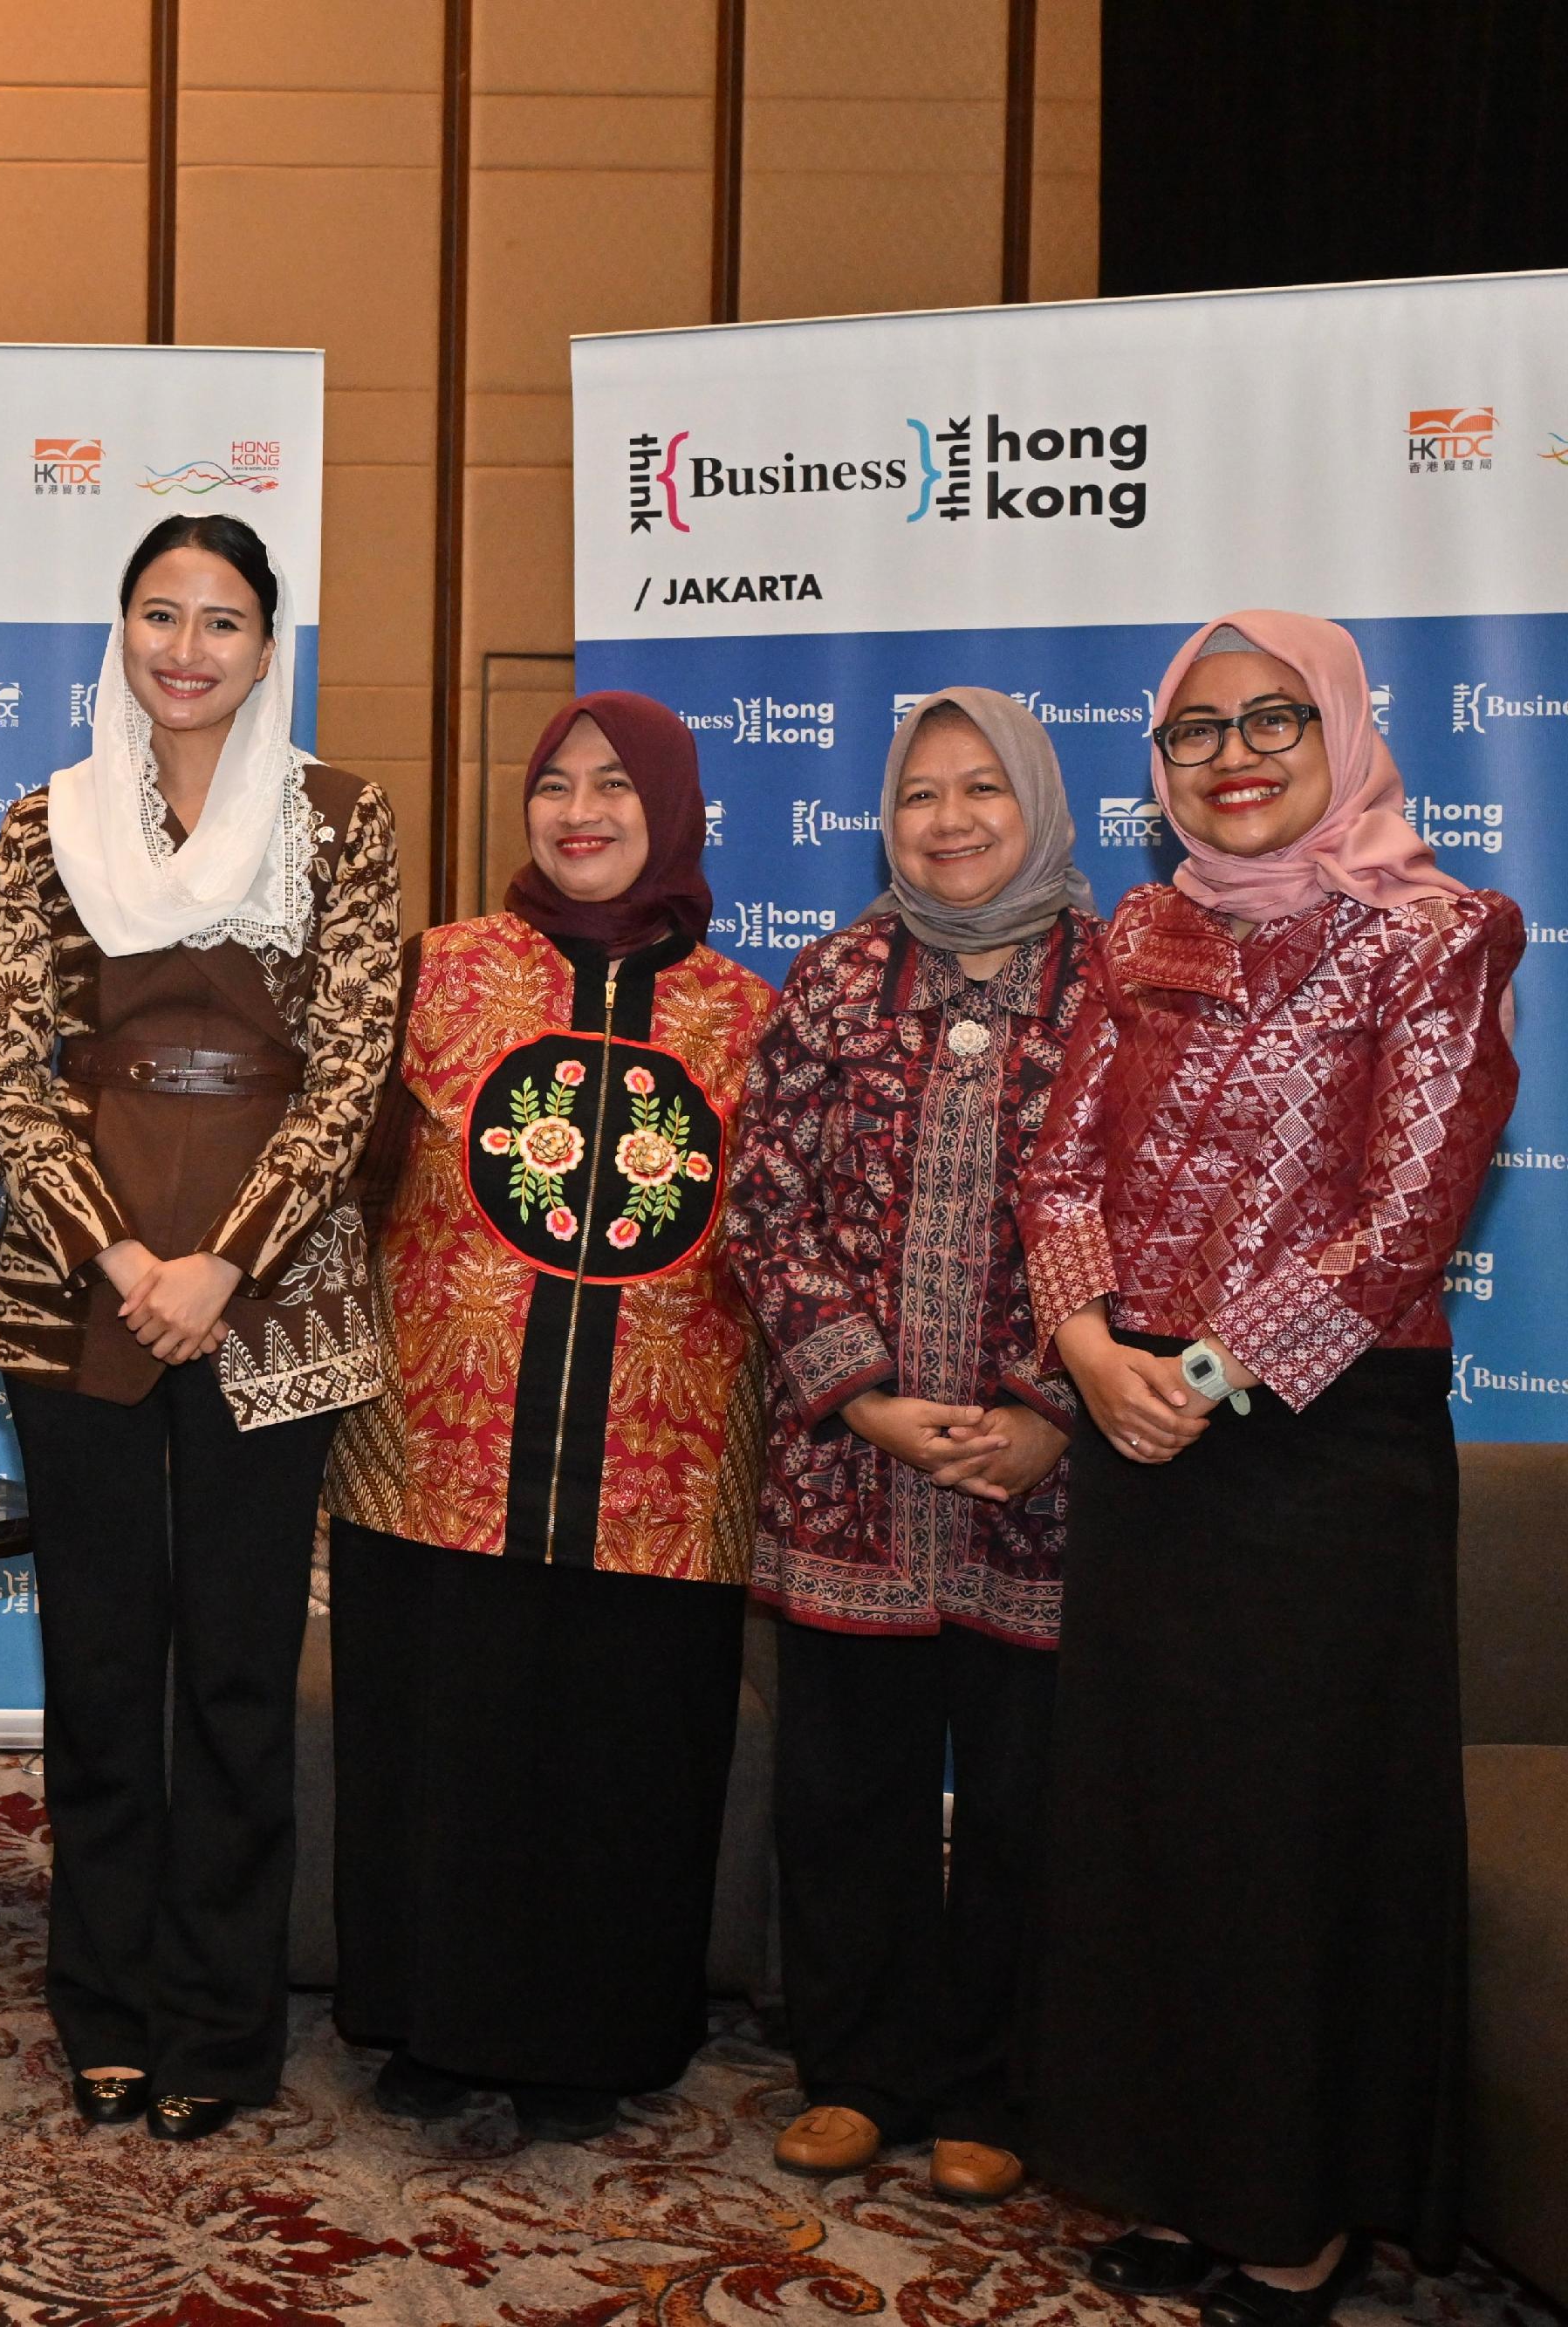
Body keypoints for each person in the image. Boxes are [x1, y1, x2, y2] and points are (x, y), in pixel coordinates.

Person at [1016, 611, 1518, 2324]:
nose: (1230, 758)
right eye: (1194, 732)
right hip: (1137, 1425)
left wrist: (1203, 1373)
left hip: (1317, 1447)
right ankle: (1184, 2176)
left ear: (1341, 730)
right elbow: (1059, 1163)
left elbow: (1403, 1217)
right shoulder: (1138, 926)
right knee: (1149, 1820)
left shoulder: (1435, 931)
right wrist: (1091, 1351)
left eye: (1270, 721)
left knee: (1284, 1836)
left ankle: (1298, 2217)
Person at [0, 515, 400, 2142]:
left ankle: (221, 2022)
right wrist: (124, 1260)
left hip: (271, 1294)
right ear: (123, 630)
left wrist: (218, 1266)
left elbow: (354, 1068)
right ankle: (105, 2004)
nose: (188, 648)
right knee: (98, 1664)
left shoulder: (340, 820)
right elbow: (7, 1071)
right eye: (161, 614)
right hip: (80, 1290)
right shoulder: (45, 821)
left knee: (231, 1672)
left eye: (223, 621)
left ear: (265, 644)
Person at [321, 691, 776, 2146]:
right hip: (444, 1441)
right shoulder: (438, 975)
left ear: (674, 809)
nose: (582, 810)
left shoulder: (752, 1014)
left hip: (663, 1454)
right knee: (443, 1734)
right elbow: (338, 1175)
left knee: (622, 1751)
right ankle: (434, 2022)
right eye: (555, 784)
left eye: (615, 787)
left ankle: (597, 2036)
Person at [723, 688, 1100, 2203]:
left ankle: (995, 2082)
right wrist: (864, 1394)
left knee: (1027, 1795)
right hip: (850, 1469)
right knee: (846, 1789)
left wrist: (1043, 1409)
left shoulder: (1121, 987)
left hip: (1046, 1482)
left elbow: (1146, 1209)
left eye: (981, 794)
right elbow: (764, 1205)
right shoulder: (833, 979)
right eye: (922, 795)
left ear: (1037, 807)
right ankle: (858, 2070)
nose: (947, 822)